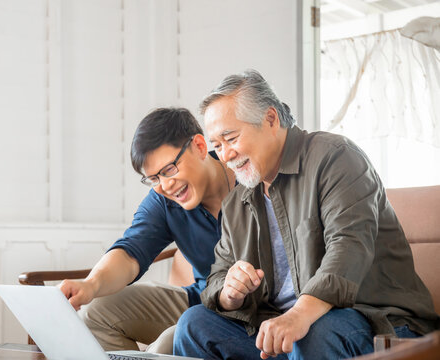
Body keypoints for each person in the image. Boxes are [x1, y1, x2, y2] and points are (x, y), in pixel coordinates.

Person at [173, 69, 440, 360]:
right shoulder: (238, 201)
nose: (224, 155)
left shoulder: (336, 157)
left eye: (231, 138)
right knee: (193, 325)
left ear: (271, 119)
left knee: (311, 332)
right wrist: (229, 293)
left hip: (372, 319)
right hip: (286, 329)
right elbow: (218, 276)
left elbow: (348, 247)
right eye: (217, 146)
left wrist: (298, 316)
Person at [59, 107, 236, 354]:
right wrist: (91, 284)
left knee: (165, 346)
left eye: (169, 170)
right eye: (153, 178)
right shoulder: (164, 200)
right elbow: (131, 252)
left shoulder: (247, 173)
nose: (165, 185)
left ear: (199, 146)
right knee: (95, 311)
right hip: (202, 300)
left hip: (251, 311)